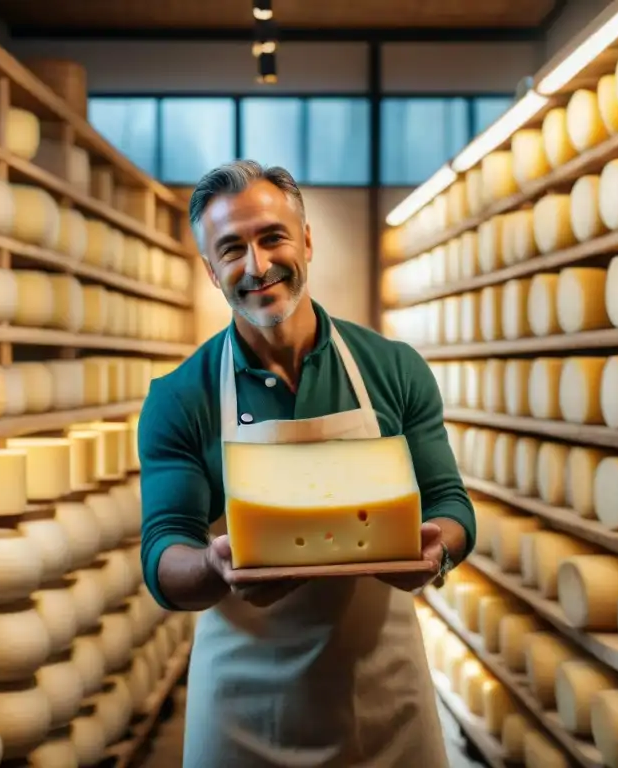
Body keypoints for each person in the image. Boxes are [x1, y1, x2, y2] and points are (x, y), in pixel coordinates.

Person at [137, 159, 476, 768]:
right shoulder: (180, 397)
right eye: (232, 249)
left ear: (307, 240)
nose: (258, 265)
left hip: (383, 694)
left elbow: (450, 504)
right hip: (244, 706)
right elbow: (164, 554)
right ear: (212, 269)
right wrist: (214, 568)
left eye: (272, 237)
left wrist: (438, 550)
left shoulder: (393, 369)